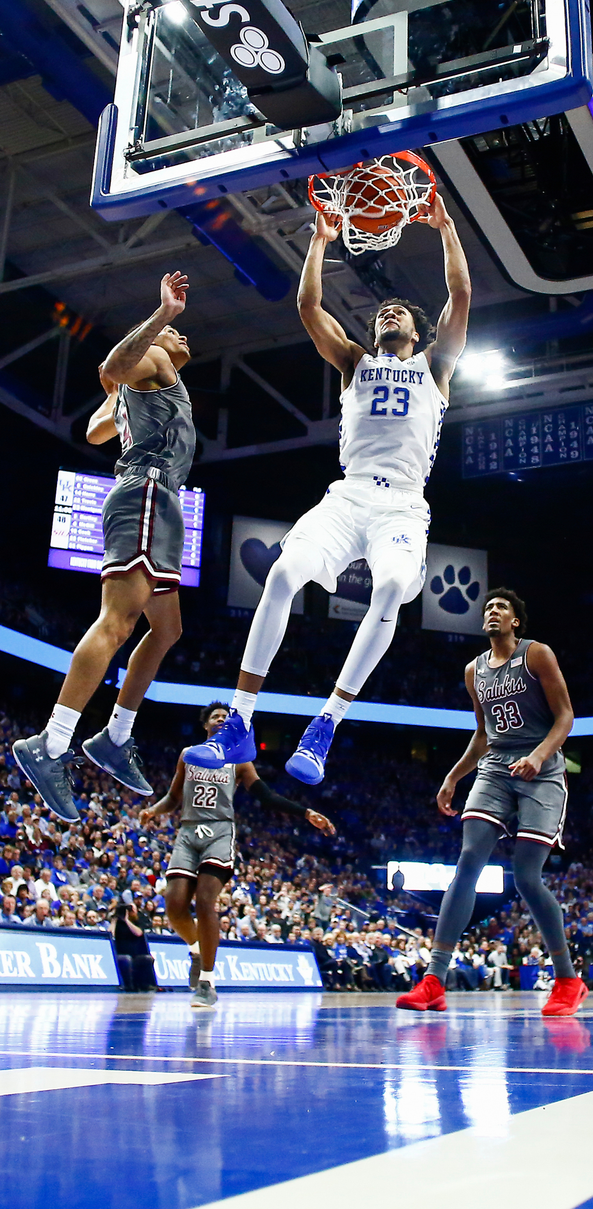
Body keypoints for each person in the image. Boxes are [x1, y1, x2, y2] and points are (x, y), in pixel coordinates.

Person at [185, 197, 470, 785]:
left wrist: (446, 230)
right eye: (382, 311)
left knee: (391, 585)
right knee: (282, 575)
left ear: (417, 332)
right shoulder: (353, 361)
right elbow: (309, 305)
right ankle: (239, 720)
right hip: (348, 496)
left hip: (402, 504)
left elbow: (461, 297)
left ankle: (327, 723)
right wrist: (320, 240)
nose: (389, 313)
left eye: (399, 312)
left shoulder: (437, 366)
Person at [13, 273, 194, 822]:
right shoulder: (156, 366)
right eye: (176, 335)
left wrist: (117, 397)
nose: (185, 339)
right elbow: (115, 369)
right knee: (117, 624)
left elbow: (95, 429)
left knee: (167, 629)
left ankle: (115, 736)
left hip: (158, 501)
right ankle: (51, 742)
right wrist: (160, 318)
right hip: (145, 494)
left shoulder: (145, 387)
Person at [398, 588, 587, 1018]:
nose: (492, 612)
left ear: (516, 621)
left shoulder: (537, 655)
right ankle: (434, 981)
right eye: (487, 608)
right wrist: (452, 776)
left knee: (526, 876)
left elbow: (565, 717)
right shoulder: (473, 671)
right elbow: (482, 735)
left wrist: (538, 757)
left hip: (542, 768)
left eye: (501, 607)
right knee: (467, 861)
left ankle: (567, 979)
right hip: (496, 766)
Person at [140, 702, 335, 1008]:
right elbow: (174, 797)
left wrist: (305, 812)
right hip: (187, 832)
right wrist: (154, 809)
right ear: (207, 725)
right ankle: (195, 948)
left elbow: (266, 796)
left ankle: (206, 981)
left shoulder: (240, 762)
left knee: (205, 900)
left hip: (220, 832)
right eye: (216, 717)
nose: (221, 720)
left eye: (226, 718)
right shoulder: (188, 755)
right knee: (175, 905)